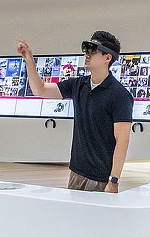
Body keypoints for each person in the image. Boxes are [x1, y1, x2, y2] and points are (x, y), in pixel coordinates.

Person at [18, 31, 134, 193]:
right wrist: (29, 61)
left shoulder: (120, 96)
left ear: (107, 58)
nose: (87, 54)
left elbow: (122, 141)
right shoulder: (78, 85)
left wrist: (113, 181)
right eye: (86, 49)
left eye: (93, 49)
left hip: (100, 179)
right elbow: (40, 89)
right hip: (76, 173)